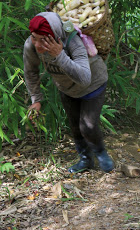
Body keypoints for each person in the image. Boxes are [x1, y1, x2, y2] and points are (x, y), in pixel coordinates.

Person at [23, 11, 114, 173]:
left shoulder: (73, 42)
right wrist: (36, 99)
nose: (37, 44)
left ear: (56, 36)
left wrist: (59, 55)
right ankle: (86, 159)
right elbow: (31, 71)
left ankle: (101, 154)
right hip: (66, 88)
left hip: (93, 84)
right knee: (75, 126)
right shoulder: (31, 46)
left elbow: (85, 78)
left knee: (88, 126)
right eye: (34, 37)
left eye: (43, 40)